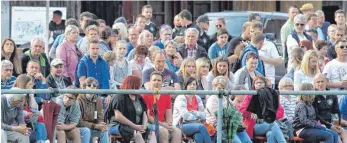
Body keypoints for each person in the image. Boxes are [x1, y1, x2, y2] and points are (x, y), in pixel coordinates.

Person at [239, 76, 286, 142]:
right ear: (254, 85)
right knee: (273, 124)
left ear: (265, 84)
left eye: (261, 82)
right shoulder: (249, 96)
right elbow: (242, 111)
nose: (259, 84)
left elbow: (280, 111)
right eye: (257, 82)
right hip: (254, 125)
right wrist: (252, 114)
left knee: (271, 134)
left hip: (267, 123)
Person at [205, 76, 252, 143]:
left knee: (248, 141)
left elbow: (236, 112)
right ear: (214, 87)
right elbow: (219, 115)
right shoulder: (212, 99)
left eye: (223, 88)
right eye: (219, 88)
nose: (221, 90)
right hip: (219, 126)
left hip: (232, 125)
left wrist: (239, 121)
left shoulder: (227, 98)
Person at [106, 75, 148, 143]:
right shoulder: (119, 97)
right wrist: (135, 126)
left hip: (136, 126)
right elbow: (118, 117)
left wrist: (144, 126)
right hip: (117, 126)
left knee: (149, 131)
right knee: (137, 134)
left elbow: (144, 114)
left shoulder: (139, 98)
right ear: (132, 85)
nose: (140, 87)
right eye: (138, 85)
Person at [142, 72, 182, 143]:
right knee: (163, 131)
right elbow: (149, 117)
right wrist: (163, 125)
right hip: (151, 123)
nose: (156, 82)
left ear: (162, 82)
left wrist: (169, 124)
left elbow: (169, 114)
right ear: (150, 81)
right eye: (154, 80)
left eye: (159, 80)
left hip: (163, 123)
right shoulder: (146, 95)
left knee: (177, 132)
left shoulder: (166, 95)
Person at [172, 77, 213, 143]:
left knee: (198, 136)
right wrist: (198, 115)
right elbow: (185, 116)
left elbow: (204, 115)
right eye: (190, 84)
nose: (192, 86)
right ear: (186, 86)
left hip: (195, 125)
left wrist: (194, 113)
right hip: (181, 125)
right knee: (201, 127)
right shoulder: (181, 98)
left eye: (194, 84)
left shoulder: (197, 98)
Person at [12, 75, 47, 143]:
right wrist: (28, 114)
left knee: (41, 125)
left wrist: (31, 95)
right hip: (16, 125)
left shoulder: (28, 95)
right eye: (30, 84)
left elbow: (34, 109)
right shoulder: (15, 94)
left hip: (28, 123)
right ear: (24, 85)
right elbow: (15, 113)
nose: (32, 86)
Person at [313, 73, 347, 143]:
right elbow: (315, 116)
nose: (320, 84)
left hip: (332, 123)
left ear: (326, 82)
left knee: (344, 132)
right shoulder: (313, 96)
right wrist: (330, 126)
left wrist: (336, 125)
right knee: (338, 139)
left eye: (322, 81)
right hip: (321, 125)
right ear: (314, 84)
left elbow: (336, 112)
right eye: (318, 82)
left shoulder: (332, 94)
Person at [77, 78, 109, 143]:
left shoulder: (98, 99)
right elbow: (79, 122)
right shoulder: (78, 99)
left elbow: (100, 117)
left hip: (93, 126)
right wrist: (95, 126)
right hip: (80, 127)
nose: (92, 87)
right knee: (86, 131)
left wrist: (101, 124)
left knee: (104, 130)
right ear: (84, 87)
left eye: (94, 85)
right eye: (89, 85)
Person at [250, 21, 282, 87]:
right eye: (251, 31)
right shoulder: (249, 45)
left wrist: (265, 59)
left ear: (261, 30)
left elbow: (279, 61)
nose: (253, 34)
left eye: (255, 32)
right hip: (254, 81)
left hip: (268, 80)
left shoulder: (270, 44)